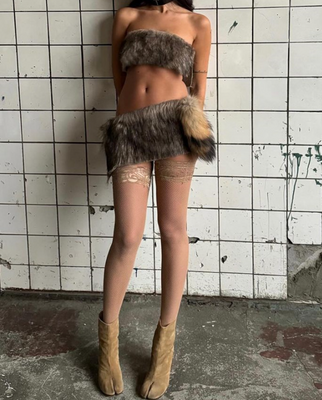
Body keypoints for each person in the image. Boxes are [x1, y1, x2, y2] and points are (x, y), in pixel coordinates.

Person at [97, 1, 215, 398]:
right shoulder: (127, 17)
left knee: (173, 230)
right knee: (127, 236)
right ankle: (107, 349)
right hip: (129, 132)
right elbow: (119, 80)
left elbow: (199, 87)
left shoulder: (198, 23)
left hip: (176, 130)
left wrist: (193, 124)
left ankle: (163, 350)